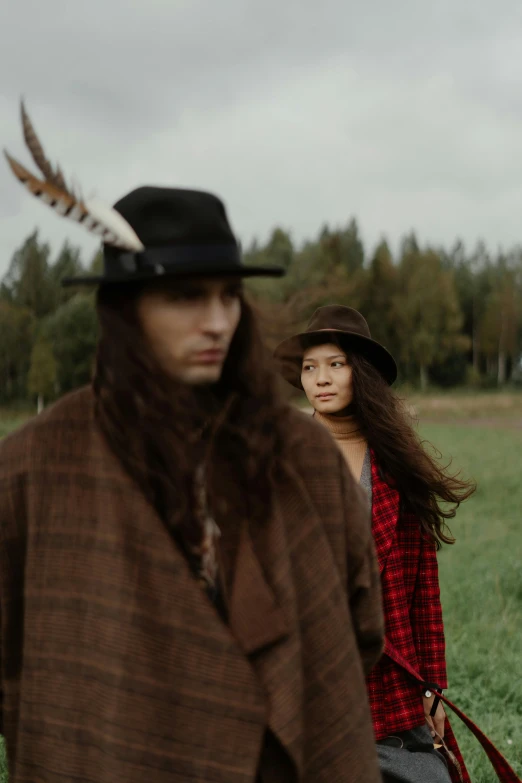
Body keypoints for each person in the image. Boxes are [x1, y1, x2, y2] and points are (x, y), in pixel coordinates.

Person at [0, 112, 385, 783]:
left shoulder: (300, 453)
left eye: (229, 295)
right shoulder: (34, 466)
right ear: (124, 308)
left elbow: (359, 627)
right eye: (184, 296)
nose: (216, 321)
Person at [275, 305, 476, 783]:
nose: (320, 378)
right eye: (310, 367)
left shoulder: (398, 468)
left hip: (391, 696)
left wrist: (433, 689)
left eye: (335, 364)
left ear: (359, 374)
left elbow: (423, 591)